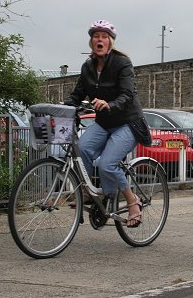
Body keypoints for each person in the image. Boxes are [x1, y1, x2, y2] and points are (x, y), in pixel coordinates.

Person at [64, 20, 151, 228]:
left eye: (104, 36)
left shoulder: (122, 63)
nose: (99, 40)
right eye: (96, 36)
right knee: (82, 149)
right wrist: (62, 107)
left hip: (127, 123)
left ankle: (132, 201)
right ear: (91, 42)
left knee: (107, 164)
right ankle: (87, 193)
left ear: (110, 42)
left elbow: (128, 94)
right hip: (103, 123)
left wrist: (109, 104)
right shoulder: (88, 67)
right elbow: (77, 95)